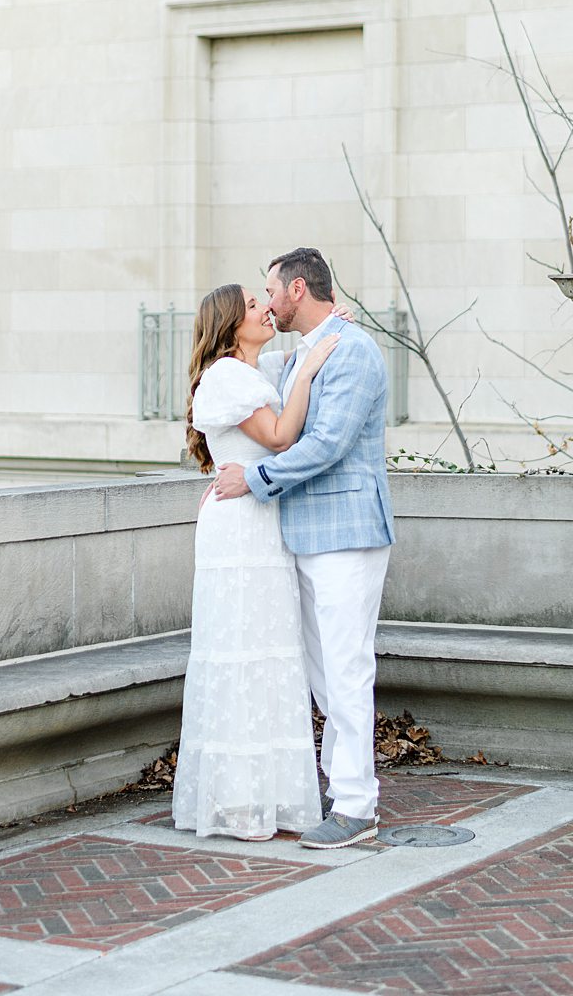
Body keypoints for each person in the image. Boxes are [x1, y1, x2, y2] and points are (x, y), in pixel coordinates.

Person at [213, 246, 394, 850]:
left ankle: (356, 805)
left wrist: (255, 480)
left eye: (271, 291)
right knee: (325, 677)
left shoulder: (355, 352)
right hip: (306, 539)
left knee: (346, 672)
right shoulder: (309, 353)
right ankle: (341, 795)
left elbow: (325, 445)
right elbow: (266, 391)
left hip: (346, 534)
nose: (265, 303)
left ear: (296, 289)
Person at [174, 283, 338, 841]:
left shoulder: (256, 369)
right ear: (228, 322)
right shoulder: (225, 376)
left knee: (270, 655)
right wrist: (313, 367)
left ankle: (270, 799)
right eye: (251, 305)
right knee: (241, 653)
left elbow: (291, 359)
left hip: (262, 523)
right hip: (239, 530)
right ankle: (239, 803)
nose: (264, 309)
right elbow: (279, 433)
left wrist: (323, 326)